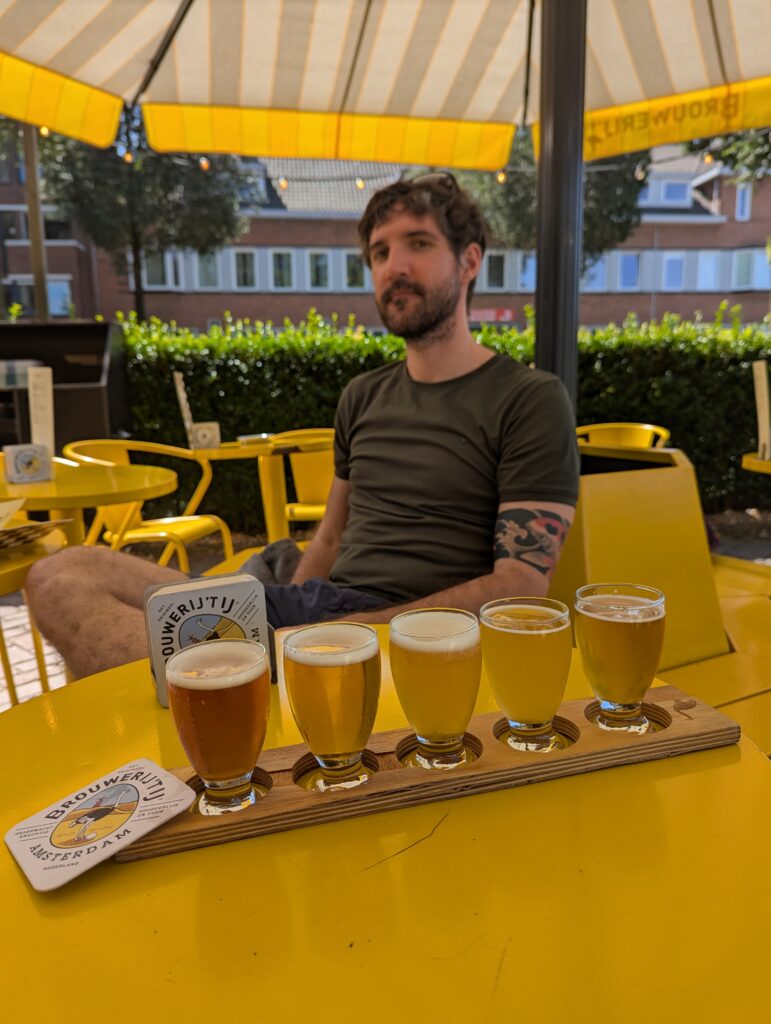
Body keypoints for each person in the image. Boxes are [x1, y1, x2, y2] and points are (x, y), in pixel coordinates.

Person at [26, 173, 579, 679]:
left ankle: (217, 688)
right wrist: (289, 612)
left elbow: (521, 585)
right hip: (319, 605)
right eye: (380, 252)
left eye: (418, 243)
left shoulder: (528, 398)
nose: (394, 266)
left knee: (121, 621)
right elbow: (330, 538)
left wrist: (346, 635)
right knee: (61, 577)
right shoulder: (363, 395)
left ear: (470, 260)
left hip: (407, 631)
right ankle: (220, 686)